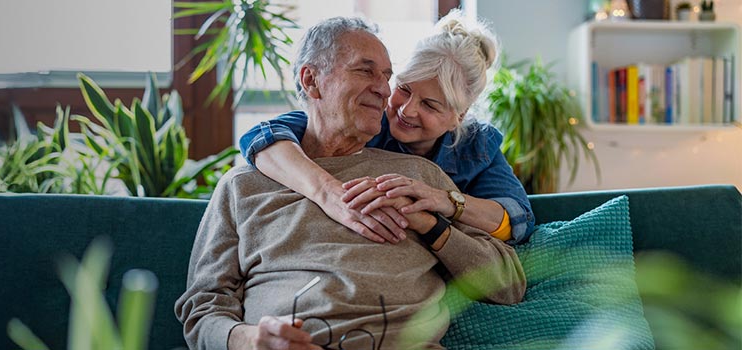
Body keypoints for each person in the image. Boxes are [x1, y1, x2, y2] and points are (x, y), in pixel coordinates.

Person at [176, 16, 526, 350]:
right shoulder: (246, 184)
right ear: (311, 81)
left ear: (456, 117)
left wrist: (433, 224)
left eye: (387, 76)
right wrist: (248, 340)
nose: (386, 92)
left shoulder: (423, 179)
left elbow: (509, 278)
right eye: (365, 71)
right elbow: (202, 308)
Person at [237, 10, 534, 246]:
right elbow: (262, 137)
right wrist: (327, 192)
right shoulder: (366, 121)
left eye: (430, 105)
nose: (407, 110)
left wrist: (445, 200)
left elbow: (517, 219)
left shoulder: (477, 146)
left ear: (459, 115)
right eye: (403, 89)